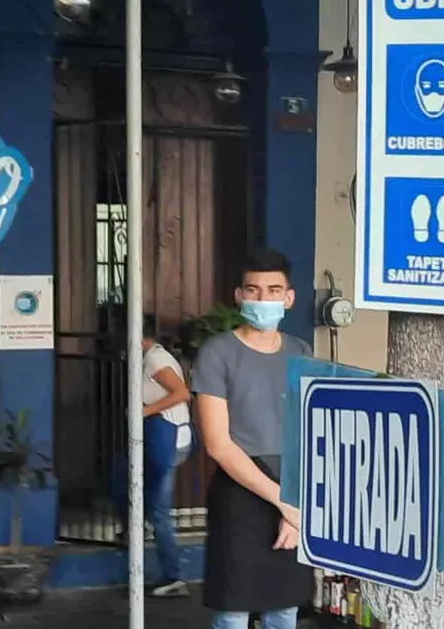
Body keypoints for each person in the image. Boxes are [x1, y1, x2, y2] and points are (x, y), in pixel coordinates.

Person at [191, 248, 312, 629]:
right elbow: (218, 444)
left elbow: (308, 434)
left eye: (274, 290)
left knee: (285, 608)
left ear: (289, 298)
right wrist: (284, 502)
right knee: (234, 611)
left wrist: (295, 509)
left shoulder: (301, 352)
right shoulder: (217, 353)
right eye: (253, 290)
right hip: (240, 492)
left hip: (291, 486)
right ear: (239, 296)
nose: (264, 299)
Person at [139, 315, 193, 598]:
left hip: (169, 439)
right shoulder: (151, 357)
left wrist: (144, 411)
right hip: (167, 438)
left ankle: (174, 576)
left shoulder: (156, 360)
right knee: (124, 478)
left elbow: (183, 393)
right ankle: (142, 525)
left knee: (160, 510)